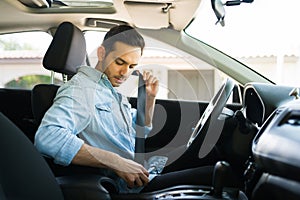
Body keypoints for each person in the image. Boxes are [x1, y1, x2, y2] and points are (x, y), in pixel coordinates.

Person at [34, 25, 214, 194]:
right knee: (216, 174)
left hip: (142, 171)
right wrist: (117, 162)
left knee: (208, 154)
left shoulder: (110, 92)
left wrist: (149, 99)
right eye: (120, 62)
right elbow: (48, 137)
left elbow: (138, 134)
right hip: (128, 188)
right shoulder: (81, 90)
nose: (125, 73)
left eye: (132, 67)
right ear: (102, 53)